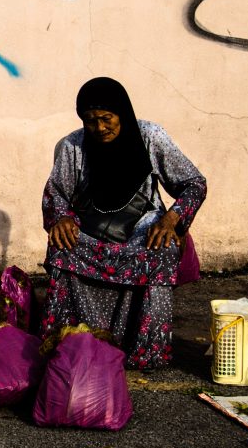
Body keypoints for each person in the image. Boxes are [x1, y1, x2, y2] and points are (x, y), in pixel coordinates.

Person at [40, 77, 206, 370]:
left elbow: (194, 184)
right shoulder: (73, 145)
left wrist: (171, 219)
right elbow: (56, 192)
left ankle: (145, 350)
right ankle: (70, 341)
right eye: (91, 121)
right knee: (62, 247)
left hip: (141, 225)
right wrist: (62, 217)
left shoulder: (150, 136)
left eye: (107, 118)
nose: (100, 127)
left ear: (122, 113)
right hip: (91, 225)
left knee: (161, 250)